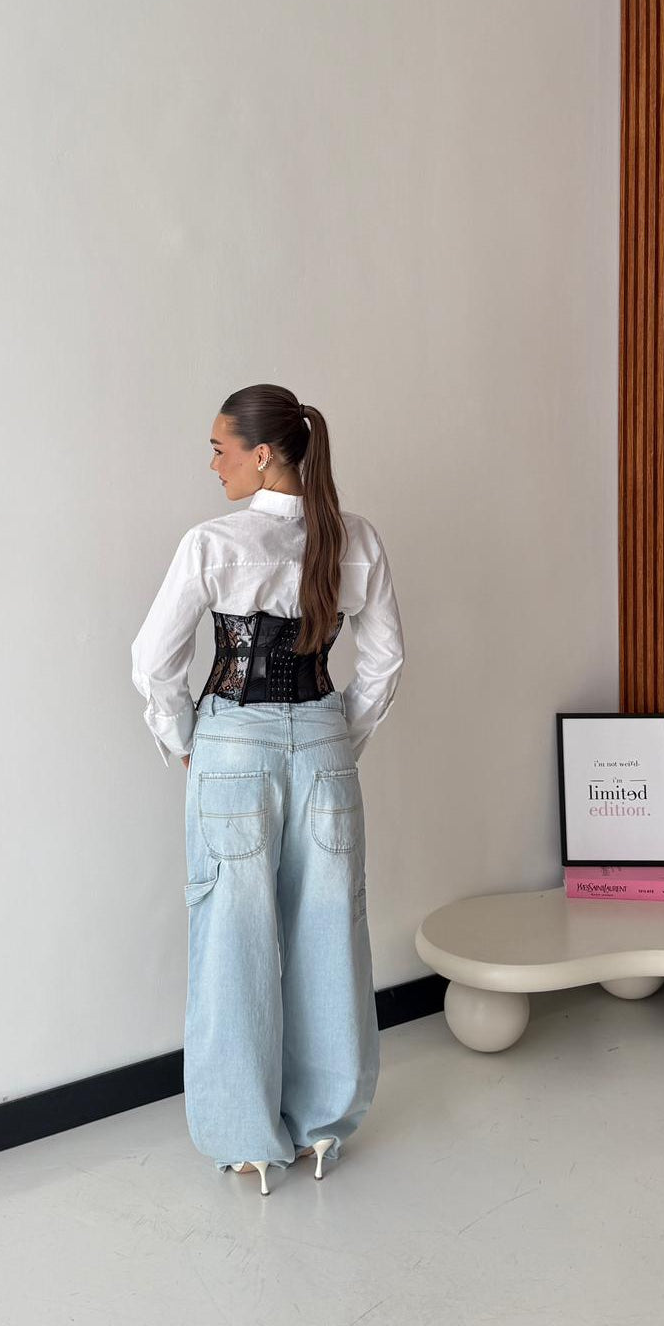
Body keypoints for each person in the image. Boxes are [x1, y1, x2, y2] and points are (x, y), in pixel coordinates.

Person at [131, 384, 405, 1195]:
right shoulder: (356, 538)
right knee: (330, 933)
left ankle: (246, 1139)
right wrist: (335, 740)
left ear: (260, 454)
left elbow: (152, 661)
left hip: (233, 750)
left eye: (220, 448)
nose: (212, 463)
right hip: (323, 746)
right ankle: (322, 1128)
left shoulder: (214, 543)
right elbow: (385, 661)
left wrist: (186, 740)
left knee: (232, 939)